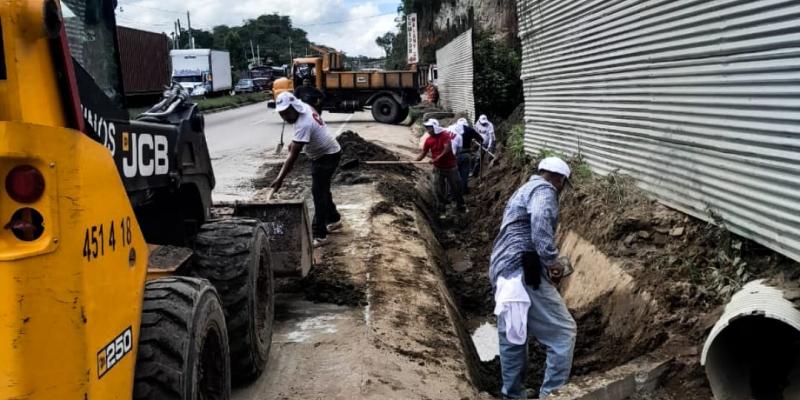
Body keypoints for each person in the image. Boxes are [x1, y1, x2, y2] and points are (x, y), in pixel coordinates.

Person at [489, 157, 577, 399]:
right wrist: (552, 261)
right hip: (522, 270)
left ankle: (513, 394)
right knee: (563, 332)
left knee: (514, 334)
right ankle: (552, 394)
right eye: (562, 185)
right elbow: (539, 224)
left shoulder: (525, 188)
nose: (560, 190)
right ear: (559, 179)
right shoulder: (544, 191)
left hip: (503, 268)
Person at [271, 92, 342, 247]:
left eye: (287, 113)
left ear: (294, 107)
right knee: (322, 189)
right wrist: (294, 142)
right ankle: (334, 218)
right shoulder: (304, 106)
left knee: (318, 193)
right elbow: (297, 143)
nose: (285, 117)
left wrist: (279, 179)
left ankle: (320, 234)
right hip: (325, 153)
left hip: (327, 156)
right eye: (281, 114)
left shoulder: (304, 123)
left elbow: (293, 157)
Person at [415, 118, 466, 214]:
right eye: (427, 128)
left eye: (429, 128)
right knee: (438, 190)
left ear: (435, 128)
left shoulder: (445, 136)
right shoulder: (429, 140)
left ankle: (461, 206)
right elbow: (424, 153)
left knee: (456, 188)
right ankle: (442, 210)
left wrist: (436, 159)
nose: (428, 130)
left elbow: (447, 149)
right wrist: (416, 160)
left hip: (451, 168)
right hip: (438, 168)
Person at [455, 118, 483, 194]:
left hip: (454, 155)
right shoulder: (470, 130)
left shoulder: (453, 129)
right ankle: (464, 191)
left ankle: (453, 194)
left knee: (454, 175)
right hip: (465, 154)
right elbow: (481, 139)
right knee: (464, 175)